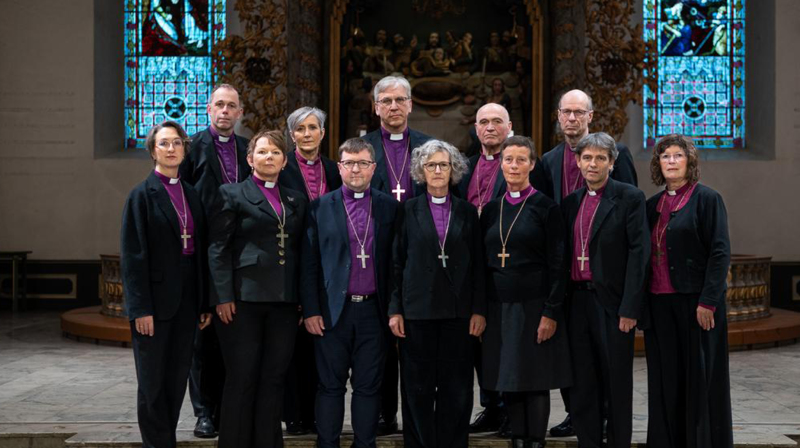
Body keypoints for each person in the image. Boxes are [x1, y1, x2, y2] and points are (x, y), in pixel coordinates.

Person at [542, 89, 637, 438]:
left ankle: (613, 421)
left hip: (606, 279)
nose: (571, 118)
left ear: (590, 116)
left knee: (609, 366)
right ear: (557, 115)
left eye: (578, 112)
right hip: (570, 277)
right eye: (566, 112)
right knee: (576, 363)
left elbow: (629, 217)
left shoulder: (619, 155)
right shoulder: (549, 160)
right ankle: (579, 417)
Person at [208, 130, 308, 448]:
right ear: (250, 159)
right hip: (242, 302)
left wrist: (303, 299)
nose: (269, 157)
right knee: (242, 377)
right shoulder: (232, 194)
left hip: (283, 302)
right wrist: (222, 296)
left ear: (284, 160)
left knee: (274, 378)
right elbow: (217, 249)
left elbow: (302, 252)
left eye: (275, 153)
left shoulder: (296, 199)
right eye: (262, 152)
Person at [301, 138, 400, 448]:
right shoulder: (319, 207)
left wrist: (395, 309)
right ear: (339, 167)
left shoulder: (389, 207)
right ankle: (327, 444)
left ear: (373, 168)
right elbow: (309, 264)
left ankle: (364, 444)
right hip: (333, 311)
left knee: (368, 387)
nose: (355, 169)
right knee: (329, 386)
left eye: (362, 163)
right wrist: (312, 309)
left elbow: (397, 265)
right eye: (349, 163)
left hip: (374, 311)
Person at [389, 139, 486, 448]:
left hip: (458, 313)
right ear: (421, 170)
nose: (437, 170)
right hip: (417, 312)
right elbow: (396, 262)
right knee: (417, 388)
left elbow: (479, 266)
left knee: (456, 388)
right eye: (431, 165)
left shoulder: (468, 212)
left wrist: (479, 310)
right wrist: (395, 310)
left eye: (444, 164)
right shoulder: (407, 210)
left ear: (453, 169)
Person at [456, 103, 545, 438]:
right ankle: (491, 407)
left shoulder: (519, 164)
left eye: (496, 122)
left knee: (511, 345)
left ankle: (511, 411)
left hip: (511, 268)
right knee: (482, 345)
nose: (489, 127)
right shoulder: (464, 168)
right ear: (475, 128)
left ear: (509, 126)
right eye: (483, 122)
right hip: (473, 269)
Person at [121, 121, 212, 448]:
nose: (171, 149)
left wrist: (203, 302)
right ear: (153, 151)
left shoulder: (190, 193)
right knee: (153, 382)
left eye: (177, 143)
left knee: (176, 379)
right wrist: (140, 308)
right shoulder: (141, 196)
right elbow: (133, 258)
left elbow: (200, 251)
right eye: (164, 144)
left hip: (187, 300)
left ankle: (167, 440)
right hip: (155, 304)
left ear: (185, 149)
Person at [480, 136, 571, 448]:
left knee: (534, 379)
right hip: (498, 306)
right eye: (508, 160)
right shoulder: (492, 210)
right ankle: (517, 439)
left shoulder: (547, 208)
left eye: (521, 160)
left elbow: (559, 265)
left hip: (535, 306)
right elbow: (483, 263)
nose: (514, 166)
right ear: (501, 164)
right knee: (508, 377)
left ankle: (535, 441)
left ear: (532, 164)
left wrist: (551, 311)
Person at [644, 134, 733, 448]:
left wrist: (708, 300)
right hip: (659, 304)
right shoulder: (652, 205)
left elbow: (720, 252)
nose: (670, 161)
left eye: (677, 155)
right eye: (665, 156)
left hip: (697, 305)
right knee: (665, 379)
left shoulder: (707, 199)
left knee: (699, 380)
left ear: (689, 162)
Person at [562, 132, 649, 448]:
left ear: (612, 163)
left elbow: (640, 254)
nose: (593, 164)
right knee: (582, 381)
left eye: (600, 158)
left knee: (615, 381)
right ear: (578, 162)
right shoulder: (571, 202)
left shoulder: (629, 198)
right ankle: (588, 442)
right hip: (577, 302)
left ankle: (617, 443)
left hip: (612, 305)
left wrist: (630, 307)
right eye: (587, 157)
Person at [361, 75, 432, 434]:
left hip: (419, 255)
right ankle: (383, 413)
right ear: (375, 107)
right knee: (380, 340)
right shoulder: (363, 147)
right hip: (373, 253)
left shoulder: (428, 146)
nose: (393, 106)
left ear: (410, 105)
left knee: (416, 339)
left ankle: (420, 416)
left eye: (399, 100)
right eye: (385, 101)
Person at [179, 83, 250, 438]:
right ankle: (205, 411)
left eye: (231, 106)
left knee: (236, 335)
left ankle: (231, 408)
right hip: (205, 253)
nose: (224, 111)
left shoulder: (248, 148)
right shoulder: (192, 148)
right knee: (203, 338)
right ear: (208, 109)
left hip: (243, 254)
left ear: (240, 113)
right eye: (219, 105)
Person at [279, 106, 342, 435]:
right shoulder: (281, 166)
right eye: (300, 128)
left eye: (313, 127)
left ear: (322, 133)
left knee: (322, 344)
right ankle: (295, 416)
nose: (307, 133)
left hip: (328, 263)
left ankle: (318, 415)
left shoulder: (334, 168)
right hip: (290, 260)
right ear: (292, 135)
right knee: (295, 348)